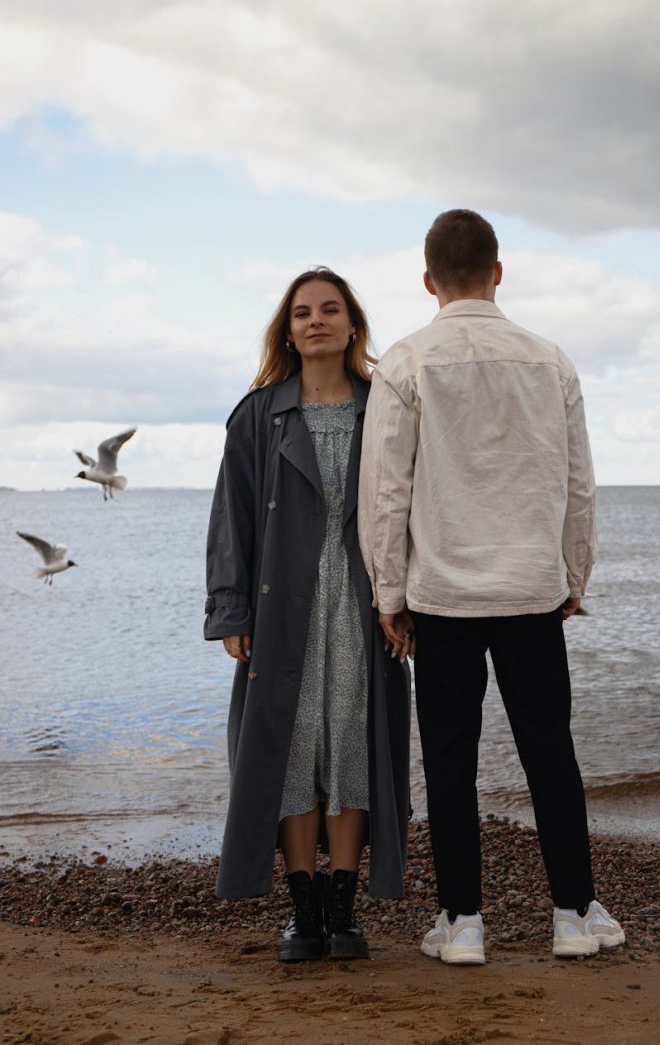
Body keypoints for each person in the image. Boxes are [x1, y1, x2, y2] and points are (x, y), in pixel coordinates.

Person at [358, 209, 624, 964]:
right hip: (531, 591)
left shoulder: (406, 363)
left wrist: (388, 594)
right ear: (498, 271)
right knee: (550, 751)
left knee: (449, 758)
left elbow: (386, 493)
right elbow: (579, 483)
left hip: (442, 596)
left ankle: (463, 920)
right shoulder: (550, 360)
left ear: (428, 279)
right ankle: (573, 912)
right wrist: (576, 572)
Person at [205, 267, 410, 963]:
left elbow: (411, 508)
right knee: (292, 749)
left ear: (353, 325)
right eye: (302, 312)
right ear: (287, 331)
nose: (316, 320)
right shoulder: (258, 415)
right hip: (282, 606)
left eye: (330, 309)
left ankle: (344, 904)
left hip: (361, 606)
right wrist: (232, 608)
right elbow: (230, 519)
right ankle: (303, 908)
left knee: (351, 744)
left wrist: (405, 598)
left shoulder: (384, 407)